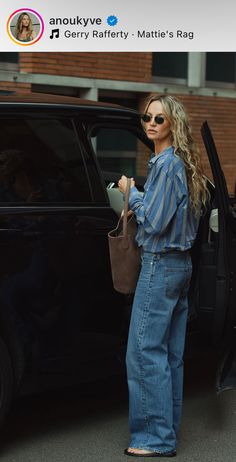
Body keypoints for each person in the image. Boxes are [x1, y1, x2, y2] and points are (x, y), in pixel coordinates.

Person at [118, 94, 209, 457]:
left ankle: (155, 439)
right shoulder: (178, 164)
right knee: (168, 355)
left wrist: (131, 194)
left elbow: (155, 222)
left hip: (160, 264)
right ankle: (165, 433)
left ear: (173, 124)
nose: (151, 123)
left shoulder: (167, 166)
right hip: (179, 265)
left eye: (159, 118)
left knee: (142, 353)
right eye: (147, 118)